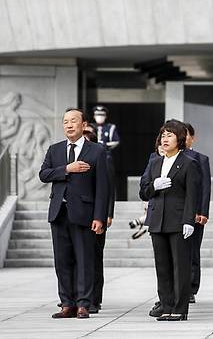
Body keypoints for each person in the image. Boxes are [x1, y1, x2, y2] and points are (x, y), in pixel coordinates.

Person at [39, 108, 108, 319]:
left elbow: (102, 187)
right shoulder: (55, 150)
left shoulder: (96, 151)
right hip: (59, 213)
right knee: (62, 261)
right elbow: (44, 174)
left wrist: (99, 217)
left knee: (85, 261)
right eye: (66, 121)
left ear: (84, 124)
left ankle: (84, 304)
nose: (69, 125)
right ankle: (66, 303)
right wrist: (68, 168)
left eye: (73, 121)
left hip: (85, 214)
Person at [139, 120, 200, 321]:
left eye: (170, 135)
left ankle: (179, 309)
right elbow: (143, 192)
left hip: (178, 220)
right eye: (163, 135)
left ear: (180, 139)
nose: (165, 139)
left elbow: (193, 195)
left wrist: (189, 221)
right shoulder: (155, 162)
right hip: (157, 220)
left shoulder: (189, 163)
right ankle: (166, 306)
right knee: (162, 267)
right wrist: (154, 186)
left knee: (180, 267)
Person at [81, 126, 116, 315]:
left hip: (98, 215)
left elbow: (109, 188)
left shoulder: (102, 157)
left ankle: (94, 299)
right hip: (80, 215)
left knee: (95, 258)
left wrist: (108, 214)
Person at [183, 122, 212, 304]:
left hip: (194, 213)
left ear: (192, 138)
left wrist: (202, 211)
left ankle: (191, 287)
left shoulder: (201, 158)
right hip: (173, 212)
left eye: (185, 135)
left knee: (193, 251)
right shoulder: (163, 156)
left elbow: (205, 187)